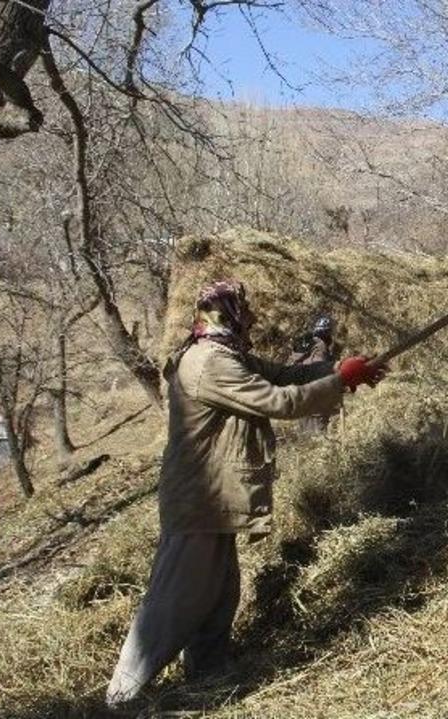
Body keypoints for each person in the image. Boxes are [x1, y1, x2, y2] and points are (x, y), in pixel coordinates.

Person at [105, 280, 384, 707]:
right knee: (174, 600)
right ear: (225, 315)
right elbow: (280, 401)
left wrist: (339, 371)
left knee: (217, 594)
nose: (251, 318)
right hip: (198, 497)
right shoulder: (210, 364)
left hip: (212, 498)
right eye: (243, 311)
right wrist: (339, 383)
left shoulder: (225, 354)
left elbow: (285, 375)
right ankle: (123, 696)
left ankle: (208, 679)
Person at [288, 316, 339, 434]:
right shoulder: (320, 347)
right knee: (318, 432)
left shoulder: (305, 345)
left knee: (305, 431)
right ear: (327, 333)